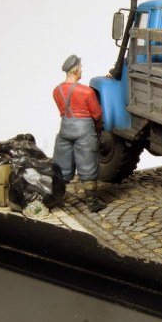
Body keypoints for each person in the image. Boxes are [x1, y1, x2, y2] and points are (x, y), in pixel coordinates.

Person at [53, 55, 105, 212]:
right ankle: (92, 203)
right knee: (88, 165)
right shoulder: (86, 92)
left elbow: (62, 110)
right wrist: (98, 129)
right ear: (75, 70)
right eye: (80, 68)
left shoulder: (56, 91)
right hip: (84, 130)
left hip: (65, 128)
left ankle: (59, 198)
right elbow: (96, 114)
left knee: (62, 165)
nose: (81, 70)